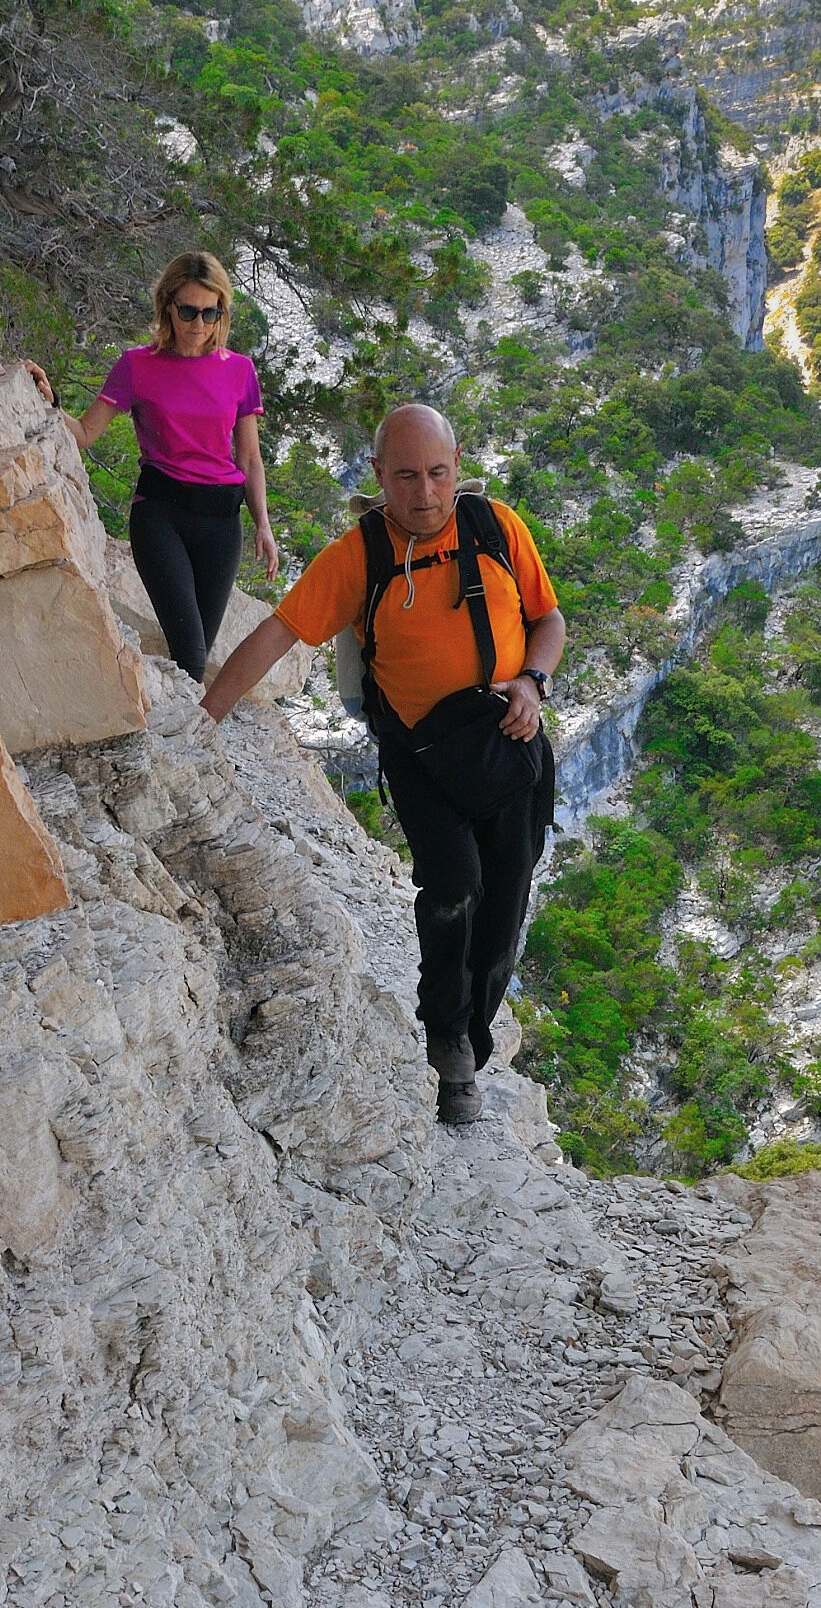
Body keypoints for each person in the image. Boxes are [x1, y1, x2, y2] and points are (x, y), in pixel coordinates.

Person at [201, 404, 566, 1127]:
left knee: (502, 916)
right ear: (378, 475)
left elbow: (547, 619)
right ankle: (449, 1043)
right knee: (454, 889)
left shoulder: (496, 528)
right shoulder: (359, 554)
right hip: (423, 754)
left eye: (436, 474)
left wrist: (533, 681)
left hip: (508, 739)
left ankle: (473, 1031)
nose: (423, 494)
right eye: (405, 476)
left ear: (456, 466)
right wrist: (202, 717)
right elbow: (279, 633)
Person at [24, 251, 278, 683]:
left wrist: (263, 525)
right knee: (191, 654)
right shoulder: (136, 366)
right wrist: (49, 401)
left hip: (221, 523)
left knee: (194, 659)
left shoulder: (239, 371)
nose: (199, 324)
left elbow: (249, 458)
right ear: (167, 307)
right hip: (161, 515)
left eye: (210, 312)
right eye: (188, 311)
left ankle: (181, 738)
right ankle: (180, 742)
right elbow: (85, 433)